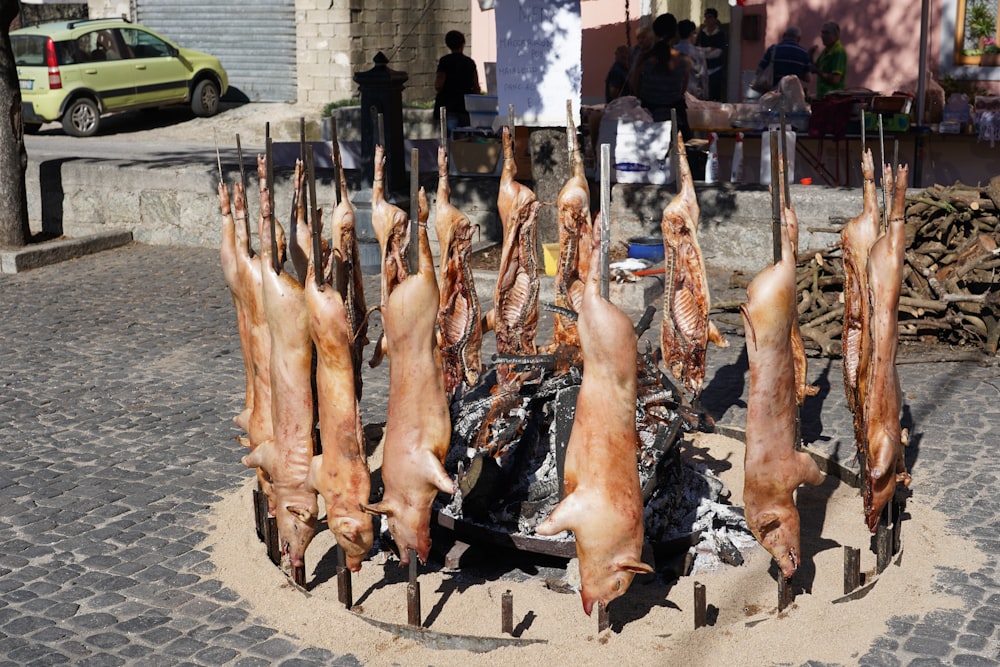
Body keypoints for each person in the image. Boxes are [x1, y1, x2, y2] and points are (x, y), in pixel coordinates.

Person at [631, 13, 691, 138]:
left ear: (655, 33)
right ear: (674, 33)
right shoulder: (685, 60)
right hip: (675, 118)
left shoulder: (644, 58)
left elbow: (635, 87)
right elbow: (682, 90)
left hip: (648, 117)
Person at [434, 30, 482, 132]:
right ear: (463, 44)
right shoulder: (470, 62)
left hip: (449, 106)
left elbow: (439, 85)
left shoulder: (444, 61)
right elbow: (476, 86)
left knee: (450, 138)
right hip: (466, 107)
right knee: (465, 137)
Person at [756, 26, 811, 91]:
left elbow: (759, 70)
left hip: (773, 91)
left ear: (784, 36)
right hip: (792, 93)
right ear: (799, 39)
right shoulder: (804, 53)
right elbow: (808, 78)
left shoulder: (773, 50)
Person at [696, 7, 727, 101]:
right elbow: (697, 49)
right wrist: (709, 49)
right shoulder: (702, 34)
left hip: (716, 69)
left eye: (710, 17)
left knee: (715, 94)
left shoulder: (720, 34)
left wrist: (705, 52)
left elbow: (718, 52)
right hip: (702, 69)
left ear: (715, 19)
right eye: (706, 17)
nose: (707, 20)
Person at [810, 21, 847, 98]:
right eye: (822, 33)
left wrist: (817, 71)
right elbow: (814, 69)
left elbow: (835, 79)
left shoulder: (838, 52)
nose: (823, 36)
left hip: (833, 99)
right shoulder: (826, 51)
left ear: (836, 35)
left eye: (827, 33)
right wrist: (810, 56)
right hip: (823, 97)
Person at [675, 19, 709, 99]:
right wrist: (705, 97)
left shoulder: (672, 51)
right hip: (693, 93)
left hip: (675, 93)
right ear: (692, 34)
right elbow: (703, 77)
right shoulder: (698, 53)